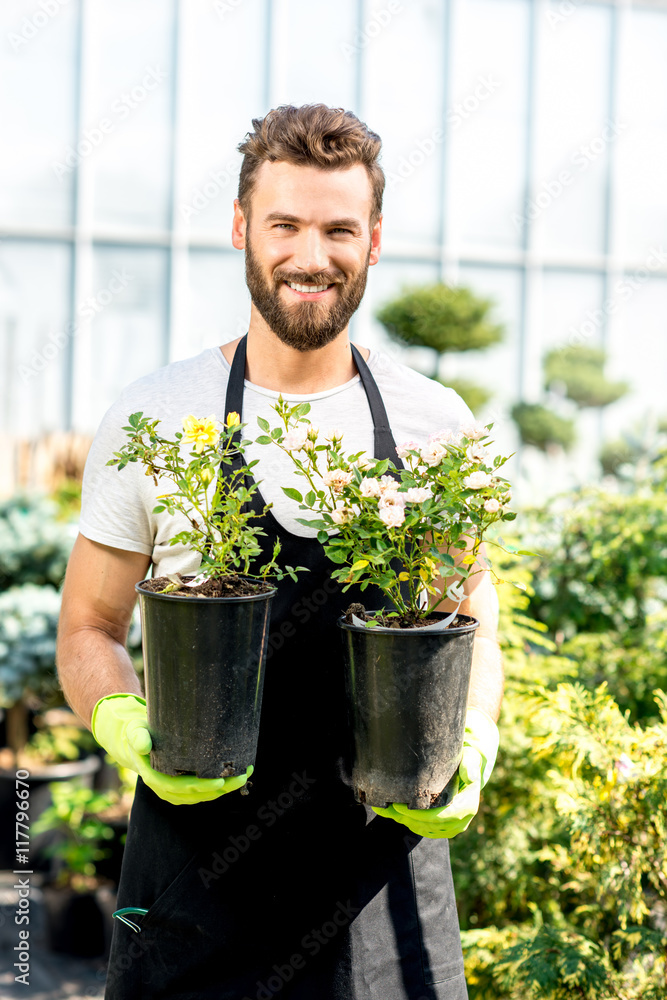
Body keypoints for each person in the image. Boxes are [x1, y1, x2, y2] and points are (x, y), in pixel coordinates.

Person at [57, 103, 503, 1000]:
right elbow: (89, 625)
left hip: (380, 891)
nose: (312, 254)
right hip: (194, 893)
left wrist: (475, 739)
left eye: (339, 228)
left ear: (372, 241)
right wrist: (119, 719)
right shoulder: (160, 415)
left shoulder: (433, 423)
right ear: (240, 230)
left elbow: (469, 618)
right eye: (285, 224)